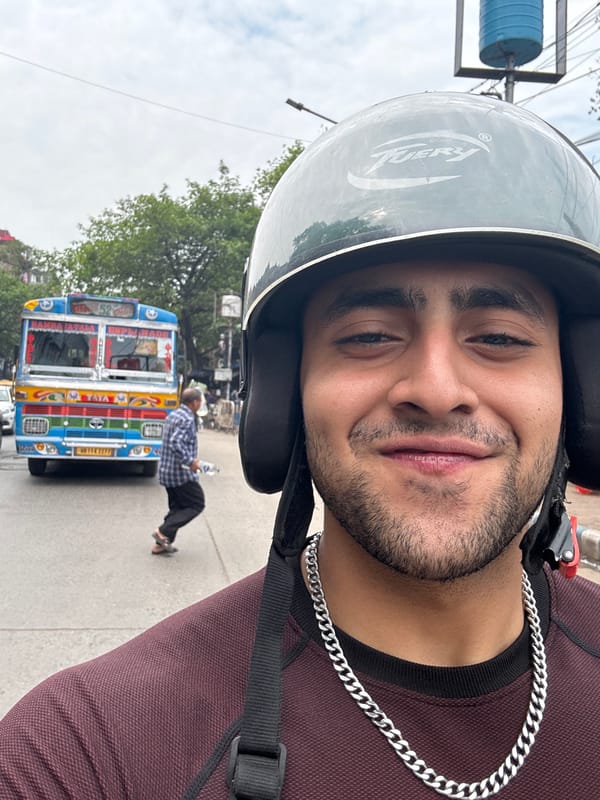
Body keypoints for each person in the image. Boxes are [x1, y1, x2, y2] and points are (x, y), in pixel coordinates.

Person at [1, 92, 600, 799]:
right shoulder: (88, 752)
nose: (437, 390)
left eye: (498, 337)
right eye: (370, 336)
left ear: (581, 393)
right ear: (283, 396)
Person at [151, 386, 205, 555]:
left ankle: (161, 544)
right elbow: (176, 442)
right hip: (179, 474)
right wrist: (190, 462)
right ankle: (162, 532)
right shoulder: (187, 418)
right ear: (195, 402)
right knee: (197, 503)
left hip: (167, 472)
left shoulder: (174, 414)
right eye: (200, 402)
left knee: (177, 507)